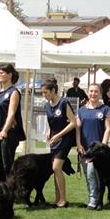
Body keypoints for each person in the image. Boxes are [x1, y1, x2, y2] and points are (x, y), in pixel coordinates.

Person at [76, 83, 110, 210]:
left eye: (96, 91)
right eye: (91, 91)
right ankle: (94, 198)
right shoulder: (81, 110)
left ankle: (94, 200)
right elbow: (77, 129)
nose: (93, 94)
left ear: (100, 94)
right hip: (85, 149)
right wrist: (79, 144)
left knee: (93, 174)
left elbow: (108, 129)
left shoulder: (106, 110)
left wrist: (103, 146)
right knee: (88, 175)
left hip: (97, 152)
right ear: (87, 92)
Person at [42, 78, 77, 207]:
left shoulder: (64, 102)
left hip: (65, 139)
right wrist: (49, 133)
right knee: (56, 169)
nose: (44, 95)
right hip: (54, 140)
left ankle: (63, 199)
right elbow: (51, 122)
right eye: (42, 93)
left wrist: (58, 135)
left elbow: (73, 123)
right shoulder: (46, 105)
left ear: (53, 91)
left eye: (46, 92)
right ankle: (58, 199)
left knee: (56, 167)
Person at [0, 63, 25, 180]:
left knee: (7, 164)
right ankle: (0, 189)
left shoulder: (14, 92)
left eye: (1, 72)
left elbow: (11, 113)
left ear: (9, 75)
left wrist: (4, 130)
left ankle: (10, 189)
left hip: (7, 133)